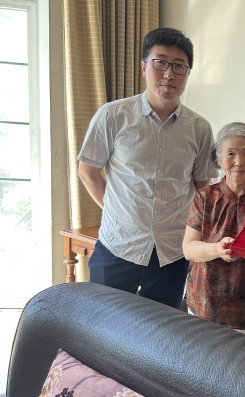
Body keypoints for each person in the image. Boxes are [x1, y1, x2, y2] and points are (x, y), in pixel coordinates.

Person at [77, 28, 216, 309]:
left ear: (187, 73)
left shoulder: (200, 128)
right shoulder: (113, 116)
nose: (169, 74)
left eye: (179, 66)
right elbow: (87, 171)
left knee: (161, 332)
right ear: (143, 67)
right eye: (160, 62)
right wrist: (118, 211)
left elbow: (203, 188)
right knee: (102, 326)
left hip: (172, 253)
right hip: (118, 246)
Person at [182, 122, 245, 341]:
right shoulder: (204, 197)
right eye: (230, 153)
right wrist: (217, 249)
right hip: (206, 306)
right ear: (219, 158)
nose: (239, 161)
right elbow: (189, 248)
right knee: (203, 361)